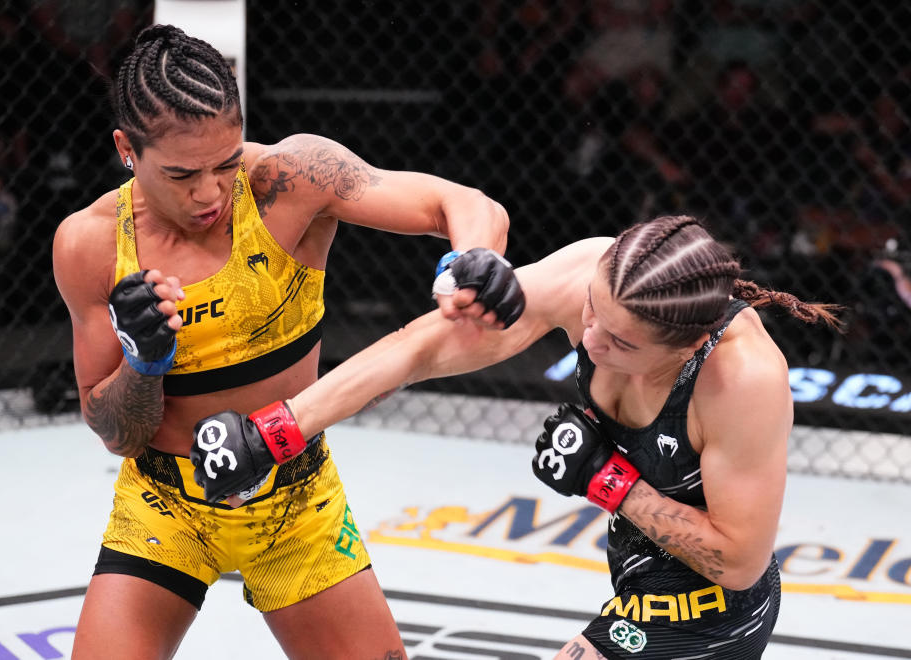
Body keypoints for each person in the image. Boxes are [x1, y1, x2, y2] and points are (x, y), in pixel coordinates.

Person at [51, 24, 524, 660]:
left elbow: (459, 202)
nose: (210, 192)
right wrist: (143, 362)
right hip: (164, 504)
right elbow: (117, 434)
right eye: (182, 173)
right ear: (126, 150)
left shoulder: (291, 179)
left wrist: (475, 258)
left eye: (224, 162)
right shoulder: (91, 244)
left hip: (294, 499)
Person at [195, 214, 843, 659]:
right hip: (636, 572)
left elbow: (739, 561)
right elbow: (423, 348)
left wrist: (606, 480)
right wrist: (278, 431)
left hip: (711, 611)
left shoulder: (741, 380)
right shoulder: (598, 272)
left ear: (686, 345)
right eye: (592, 310)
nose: (588, 339)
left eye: (619, 343)